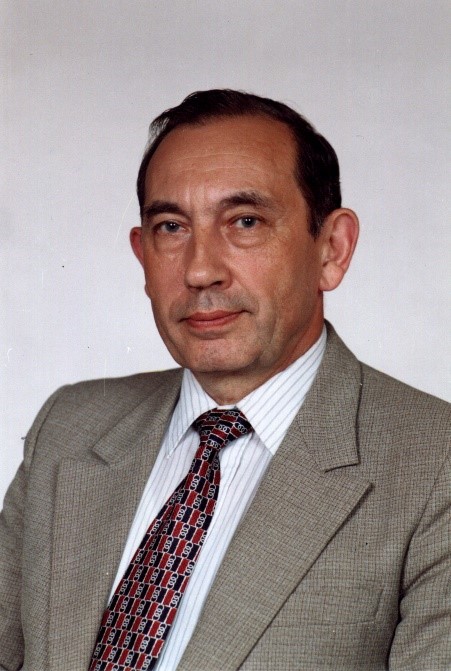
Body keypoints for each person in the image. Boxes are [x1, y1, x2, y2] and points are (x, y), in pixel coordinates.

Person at [0, 90, 449, 671]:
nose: (200, 269)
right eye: (171, 227)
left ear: (331, 250)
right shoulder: (69, 427)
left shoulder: (433, 465)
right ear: (142, 256)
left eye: (245, 222)